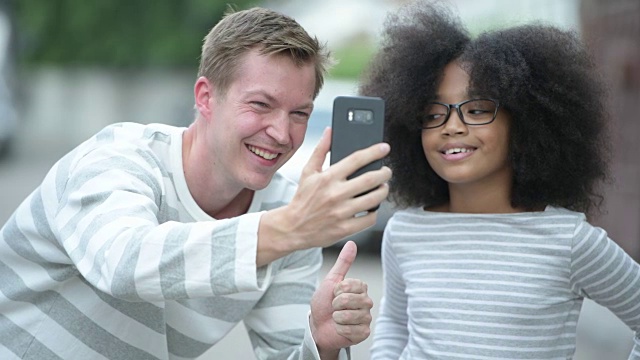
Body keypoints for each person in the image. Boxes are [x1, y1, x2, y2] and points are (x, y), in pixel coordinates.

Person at [0, 7, 392, 360]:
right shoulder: (118, 156)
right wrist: (288, 229)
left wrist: (321, 343)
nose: (281, 132)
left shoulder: (284, 216)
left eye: (299, 113)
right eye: (260, 105)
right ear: (206, 97)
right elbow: (122, 262)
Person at [358, 1, 640, 359]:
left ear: (524, 123)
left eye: (477, 110)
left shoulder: (569, 240)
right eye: (433, 113)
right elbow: (396, 325)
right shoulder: (405, 231)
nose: (452, 126)